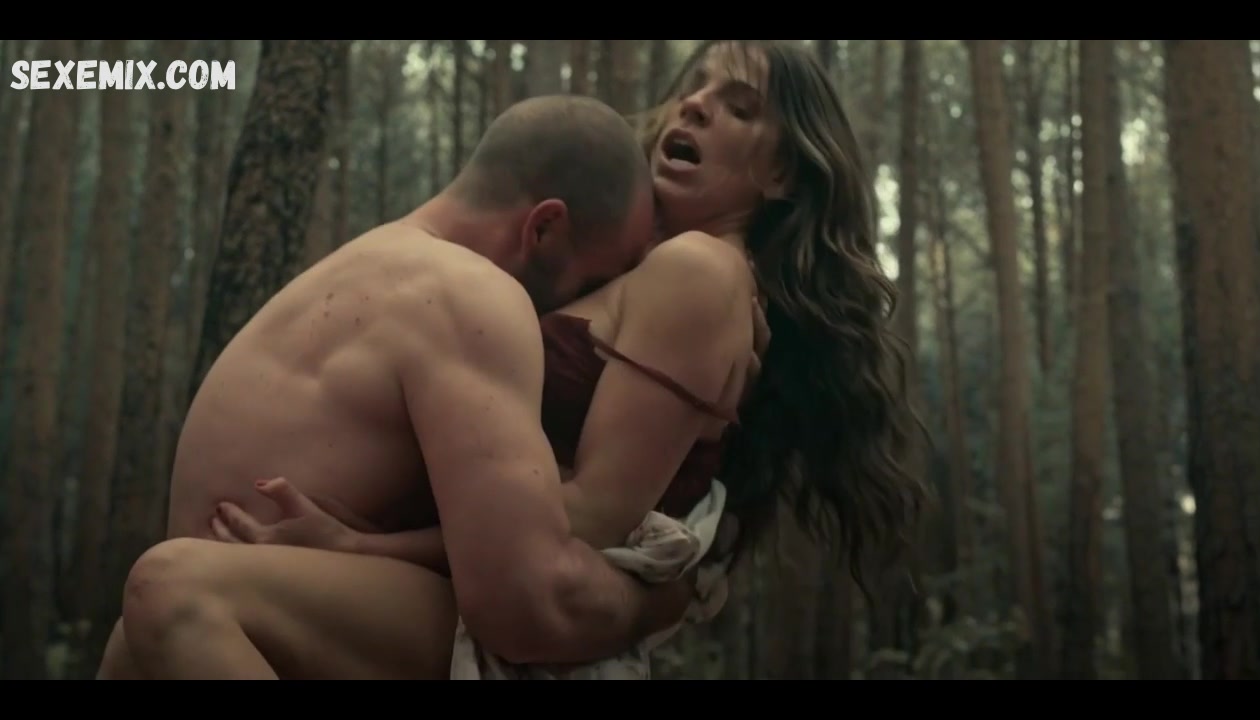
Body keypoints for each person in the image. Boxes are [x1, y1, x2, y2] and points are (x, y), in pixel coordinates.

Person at [114, 39, 929, 680]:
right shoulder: (652, 271)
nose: (695, 104)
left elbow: (584, 520)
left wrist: (358, 548)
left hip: (505, 606)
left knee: (175, 591)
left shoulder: (700, 272)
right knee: (133, 646)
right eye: (699, 87)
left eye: (739, 107)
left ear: (783, 171)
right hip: (448, 590)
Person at [96, 94, 691, 680]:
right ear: (545, 228)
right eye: (594, 282)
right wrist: (653, 603)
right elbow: (528, 606)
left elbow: (522, 595)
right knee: (159, 606)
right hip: (218, 621)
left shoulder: (362, 269)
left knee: (170, 594)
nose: (584, 309)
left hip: (247, 618)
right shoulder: (469, 295)